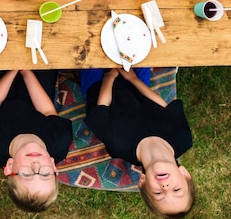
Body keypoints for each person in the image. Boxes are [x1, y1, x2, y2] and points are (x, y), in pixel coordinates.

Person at [81, 68, 195, 218]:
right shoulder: (183, 139)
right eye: (176, 190)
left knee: (89, 57)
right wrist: (133, 79)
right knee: (137, 49)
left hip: (99, 87)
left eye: (158, 193)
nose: (166, 187)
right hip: (136, 85)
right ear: (184, 174)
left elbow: (101, 109)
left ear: (142, 181)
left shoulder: (119, 146)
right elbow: (165, 108)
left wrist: (110, 76)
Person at [0, 69, 72, 212]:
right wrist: (26, 73)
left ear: (10, 167)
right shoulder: (60, 141)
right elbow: (48, 112)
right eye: (45, 174)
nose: (36, 166)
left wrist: (14, 69)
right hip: (35, 96)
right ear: (54, 167)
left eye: (27, 174)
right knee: (42, 56)